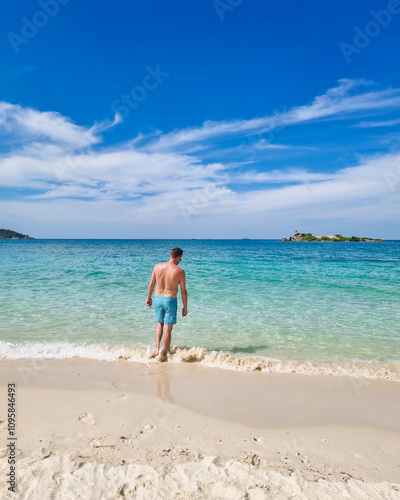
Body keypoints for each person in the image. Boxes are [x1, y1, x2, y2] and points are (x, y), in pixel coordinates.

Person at [146, 247, 188, 358]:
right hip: (170, 300)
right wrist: (185, 307)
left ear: (170, 255)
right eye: (180, 259)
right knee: (168, 329)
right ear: (178, 257)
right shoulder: (180, 272)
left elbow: (151, 285)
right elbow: (184, 292)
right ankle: (166, 353)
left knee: (159, 323)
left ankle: (157, 349)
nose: (180, 261)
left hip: (158, 299)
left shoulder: (157, 267)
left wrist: (148, 298)